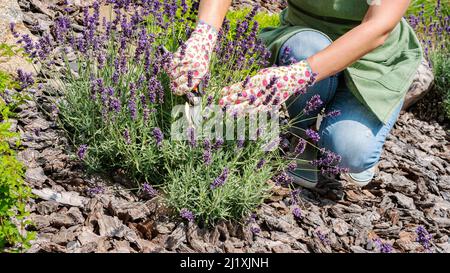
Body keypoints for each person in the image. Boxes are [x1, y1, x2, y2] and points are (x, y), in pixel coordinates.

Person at [166, 0, 423, 189]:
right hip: (305, 38)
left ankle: (365, 114)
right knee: (306, 48)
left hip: (374, 58)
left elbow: (379, 26)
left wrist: (295, 76)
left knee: (349, 153)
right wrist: (204, 36)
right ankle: (302, 132)